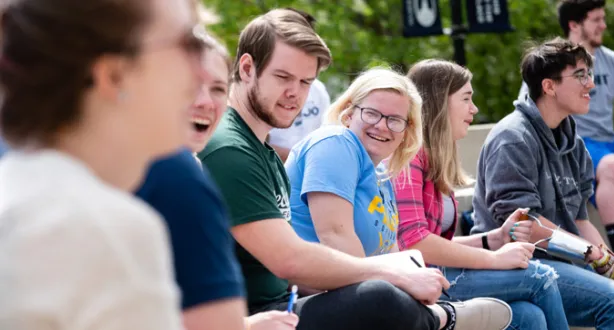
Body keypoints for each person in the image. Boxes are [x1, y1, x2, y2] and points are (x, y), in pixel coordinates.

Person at [199, 8, 479, 330]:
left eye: (306, 82)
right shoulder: (230, 149)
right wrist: (392, 275)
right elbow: (289, 259)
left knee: (382, 293)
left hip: (284, 302)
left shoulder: (262, 150)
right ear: (247, 68)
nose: (296, 93)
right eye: (283, 77)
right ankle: (445, 318)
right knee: (380, 295)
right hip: (253, 317)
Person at [0, 0, 208, 328]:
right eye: (188, 44)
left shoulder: (18, 195)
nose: (203, 71)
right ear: (114, 75)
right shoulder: (107, 229)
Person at [286, 66, 514, 330]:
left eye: (395, 120)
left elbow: (391, 253)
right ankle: (444, 317)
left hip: (359, 299)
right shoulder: (335, 142)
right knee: (380, 294)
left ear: (407, 131)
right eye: (371, 113)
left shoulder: (382, 173)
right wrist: (406, 284)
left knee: (525, 314)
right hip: (307, 298)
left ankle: (439, 314)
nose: (382, 125)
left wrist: (414, 282)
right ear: (348, 115)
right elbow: (335, 239)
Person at [387, 59, 569, 330]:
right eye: (466, 98)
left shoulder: (435, 157)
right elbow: (415, 243)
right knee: (540, 277)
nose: (474, 108)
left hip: (437, 272)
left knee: (529, 317)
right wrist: (494, 259)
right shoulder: (408, 156)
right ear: (439, 101)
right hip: (417, 281)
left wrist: (491, 239)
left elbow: (436, 243)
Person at [136, 28, 298, 330]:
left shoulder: (189, 168)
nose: (205, 102)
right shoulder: (151, 171)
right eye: (189, 85)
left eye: (218, 89)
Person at [474, 38, 614, 329]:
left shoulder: (572, 141)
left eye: (588, 74)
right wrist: (597, 258)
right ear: (549, 86)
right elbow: (523, 226)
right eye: (580, 76)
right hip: (516, 266)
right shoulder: (513, 138)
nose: (591, 85)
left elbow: (581, 220)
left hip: (561, 265)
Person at [519, 0, 614, 257]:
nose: (603, 25)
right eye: (596, 20)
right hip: (581, 145)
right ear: (574, 24)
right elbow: (528, 107)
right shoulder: (550, 65)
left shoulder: (613, 60)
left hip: (612, 141)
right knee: (613, 164)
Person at [269, 78, 331, 162]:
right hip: (271, 164)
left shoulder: (318, 89)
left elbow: (325, 133)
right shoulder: (270, 85)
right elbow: (258, 143)